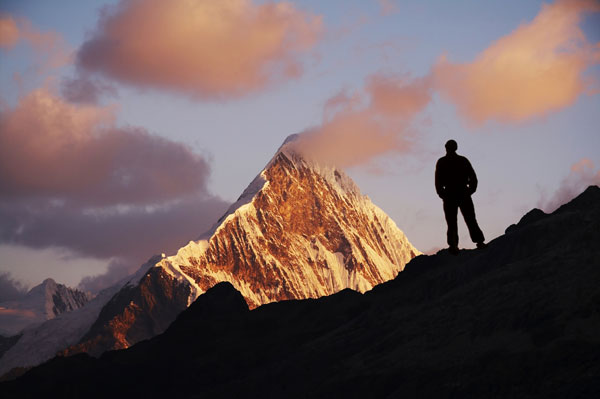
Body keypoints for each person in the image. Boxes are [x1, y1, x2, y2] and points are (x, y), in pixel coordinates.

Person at [435, 139, 486, 255]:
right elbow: (473, 179)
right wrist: (469, 191)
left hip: (454, 195)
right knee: (467, 220)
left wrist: (443, 194)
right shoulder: (461, 161)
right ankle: (477, 242)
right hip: (459, 194)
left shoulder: (443, 162)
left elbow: (438, 182)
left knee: (457, 221)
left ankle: (454, 245)